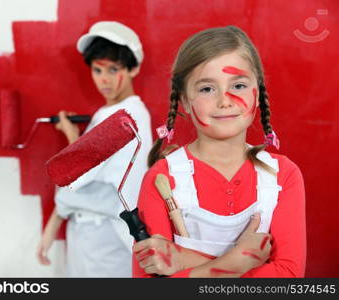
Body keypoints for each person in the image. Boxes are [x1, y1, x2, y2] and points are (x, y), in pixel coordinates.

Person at [133, 25, 306, 278]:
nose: (225, 101)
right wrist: (238, 261)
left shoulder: (283, 175)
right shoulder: (162, 178)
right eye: (206, 89)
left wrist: (185, 263)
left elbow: (288, 277)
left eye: (238, 86)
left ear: (257, 94)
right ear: (184, 101)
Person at [36, 21, 153, 277]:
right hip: (92, 233)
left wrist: (70, 136)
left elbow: (78, 174)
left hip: (106, 237)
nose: (105, 80)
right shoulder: (109, 113)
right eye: (98, 70)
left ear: (133, 68)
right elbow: (86, 169)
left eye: (114, 69)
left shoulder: (128, 116)